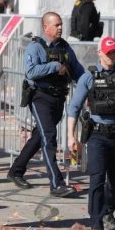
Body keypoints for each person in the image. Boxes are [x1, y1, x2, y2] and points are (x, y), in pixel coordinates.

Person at [6, 12, 85, 197]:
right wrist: (55, 66)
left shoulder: (65, 47)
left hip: (58, 99)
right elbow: (31, 71)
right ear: (45, 27)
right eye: (56, 25)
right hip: (40, 98)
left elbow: (78, 71)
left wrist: (89, 86)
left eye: (61, 25)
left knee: (39, 136)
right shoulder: (36, 47)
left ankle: (16, 170)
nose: (60, 28)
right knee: (49, 137)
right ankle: (56, 184)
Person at [67, 36, 115, 230]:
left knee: (113, 183)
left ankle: (108, 212)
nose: (111, 56)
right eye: (108, 52)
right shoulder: (89, 77)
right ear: (99, 53)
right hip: (97, 135)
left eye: (114, 52)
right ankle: (96, 222)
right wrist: (71, 136)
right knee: (97, 179)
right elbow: (74, 107)